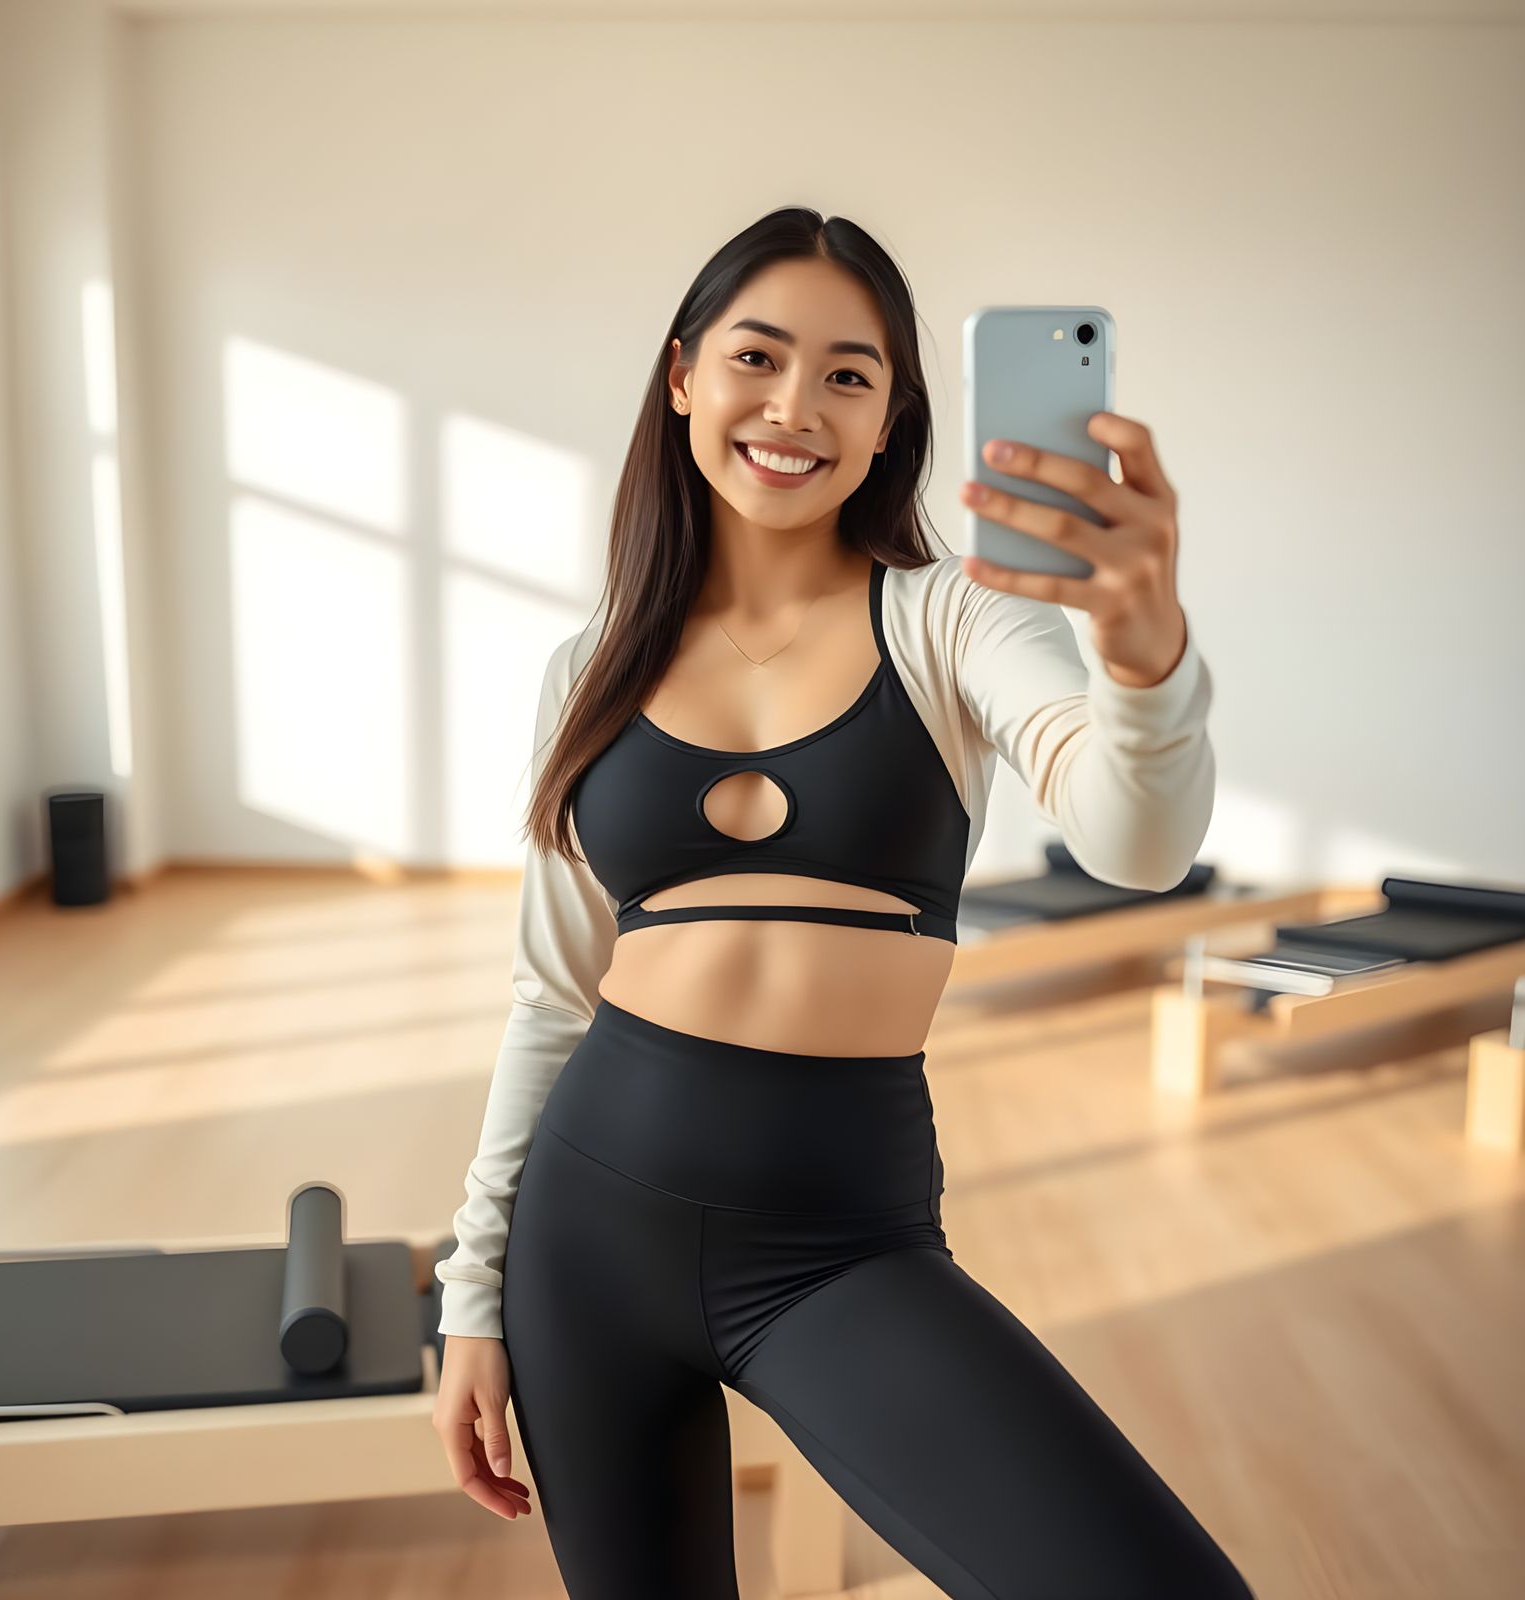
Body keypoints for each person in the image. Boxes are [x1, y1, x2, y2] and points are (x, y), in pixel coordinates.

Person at [430, 206, 1255, 1599]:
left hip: (833, 1245)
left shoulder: (954, 622)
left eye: (849, 375)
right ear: (684, 374)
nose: (794, 407)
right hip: (588, 1238)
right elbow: (552, 995)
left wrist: (1145, 652)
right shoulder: (590, 666)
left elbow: (1135, 843)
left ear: (891, 421)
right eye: (758, 357)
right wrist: (472, 1294)